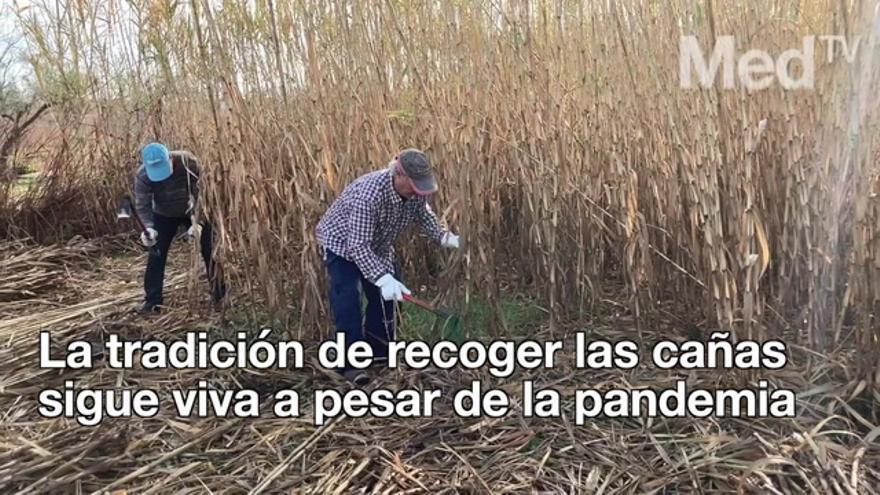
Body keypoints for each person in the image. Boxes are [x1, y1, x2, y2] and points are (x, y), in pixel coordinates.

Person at [316, 148, 461, 385]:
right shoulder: (369, 195)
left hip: (379, 245)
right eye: (414, 184)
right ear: (399, 175)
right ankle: (350, 365)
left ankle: (380, 353)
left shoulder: (415, 192)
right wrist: (383, 279)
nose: (418, 191)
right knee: (349, 301)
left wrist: (445, 237)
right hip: (343, 245)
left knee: (386, 302)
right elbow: (358, 246)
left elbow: (423, 215)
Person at [133, 142, 225, 314]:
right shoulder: (142, 176)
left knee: (210, 250)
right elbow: (142, 205)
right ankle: (152, 302)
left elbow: (206, 194)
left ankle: (220, 295)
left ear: (170, 158)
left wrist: (199, 222)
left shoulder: (190, 163)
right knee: (156, 255)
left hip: (194, 210)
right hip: (163, 214)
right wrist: (148, 228)